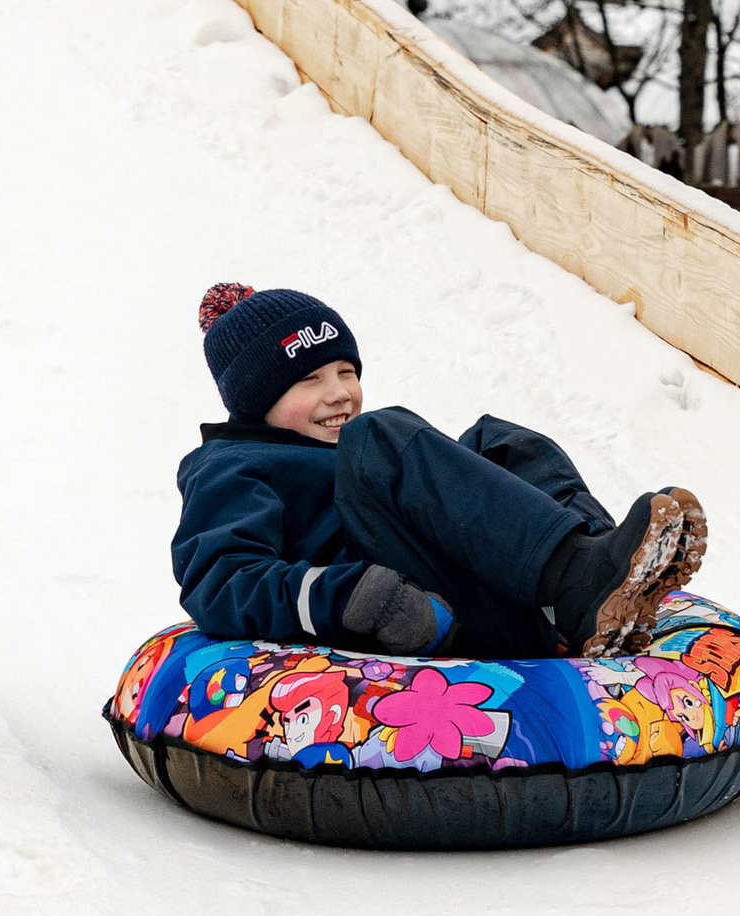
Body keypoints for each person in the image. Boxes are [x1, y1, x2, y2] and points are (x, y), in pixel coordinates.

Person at [171, 282, 707, 663]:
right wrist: (350, 596)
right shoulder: (231, 466)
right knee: (375, 437)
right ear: (255, 401)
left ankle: (599, 575)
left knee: (496, 441)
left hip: (510, 601)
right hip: (420, 615)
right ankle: (577, 583)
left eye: (347, 371)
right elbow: (220, 581)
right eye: (309, 379)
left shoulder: (340, 450)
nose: (339, 392)